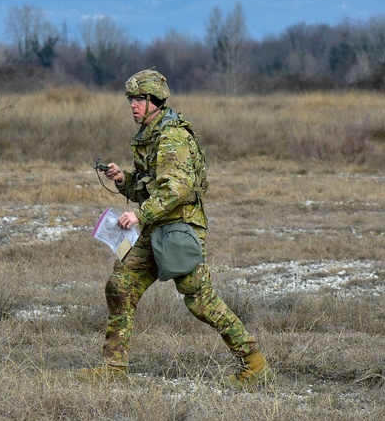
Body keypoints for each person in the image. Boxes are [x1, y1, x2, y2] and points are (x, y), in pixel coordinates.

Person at [79, 69, 273, 387]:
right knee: (120, 287)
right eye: (130, 99)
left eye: (139, 99)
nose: (133, 105)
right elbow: (150, 187)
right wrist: (123, 179)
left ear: (155, 100)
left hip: (179, 228)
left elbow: (177, 188)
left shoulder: (172, 136)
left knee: (200, 300)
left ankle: (253, 364)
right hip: (156, 225)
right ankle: (113, 368)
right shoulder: (148, 135)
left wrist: (140, 214)